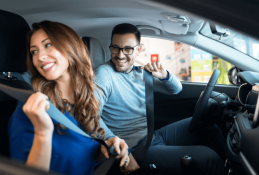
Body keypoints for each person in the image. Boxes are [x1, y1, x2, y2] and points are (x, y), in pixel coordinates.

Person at [93, 23, 226, 175]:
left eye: (128, 49)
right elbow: (90, 115)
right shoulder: (104, 74)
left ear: (138, 50)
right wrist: (122, 151)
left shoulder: (140, 73)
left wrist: (165, 76)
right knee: (208, 159)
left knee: (208, 126)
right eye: (115, 47)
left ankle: (231, 166)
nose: (120, 55)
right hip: (136, 149)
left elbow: (176, 89)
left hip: (152, 136)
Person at [8, 21, 130, 175]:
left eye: (47, 45)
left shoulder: (86, 102)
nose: (40, 56)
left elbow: (81, 159)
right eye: (34, 51)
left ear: (71, 47)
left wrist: (105, 148)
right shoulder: (32, 109)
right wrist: (42, 134)